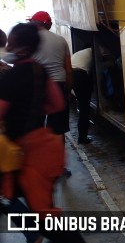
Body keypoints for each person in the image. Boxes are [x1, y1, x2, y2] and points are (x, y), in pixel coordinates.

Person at [0, 23, 85, 243]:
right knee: (41, 208)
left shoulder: (11, 77)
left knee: (46, 217)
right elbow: (56, 104)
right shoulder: (39, 70)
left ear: (21, 46)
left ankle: (39, 235)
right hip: (44, 147)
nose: (7, 44)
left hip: (24, 153)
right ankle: (33, 234)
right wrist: (33, 108)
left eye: (11, 41)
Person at [28, 11, 73, 176]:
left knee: (36, 129)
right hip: (59, 86)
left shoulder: (31, 40)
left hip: (37, 87)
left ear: (36, 23)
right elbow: (68, 70)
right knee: (57, 130)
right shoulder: (61, 41)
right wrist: (68, 91)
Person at [71, 46, 93, 144]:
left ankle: (82, 136)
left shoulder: (80, 52)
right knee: (85, 109)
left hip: (72, 74)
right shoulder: (93, 51)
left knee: (82, 106)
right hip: (80, 75)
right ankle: (82, 138)